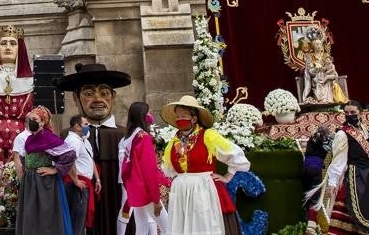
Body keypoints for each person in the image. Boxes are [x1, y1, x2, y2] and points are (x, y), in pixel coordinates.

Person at [56, 62, 132, 235]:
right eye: (89, 94)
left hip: (117, 203)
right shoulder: (67, 136)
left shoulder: (125, 135)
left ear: (113, 96)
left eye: (104, 93)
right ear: (76, 98)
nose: (98, 99)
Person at [160, 95, 249, 235]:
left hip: (202, 188)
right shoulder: (173, 141)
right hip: (181, 192)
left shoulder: (208, 136)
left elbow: (236, 155)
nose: (179, 120)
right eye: (177, 117)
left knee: (203, 226)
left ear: (194, 118)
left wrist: (227, 176)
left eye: (183, 116)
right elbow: (168, 169)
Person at [316, 101, 369, 235]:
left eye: (353, 112)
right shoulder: (342, 134)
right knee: (350, 211)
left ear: (360, 113)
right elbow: (338, 160)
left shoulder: (367, 133)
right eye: (346, 113)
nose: (349, 115)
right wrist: (332, 183)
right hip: (354, 176)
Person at [0, 25, 35, 193]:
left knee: (18, 176)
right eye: (3, 43)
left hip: (20, 135)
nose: (7, 47)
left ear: (19, 48)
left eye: (13, 43)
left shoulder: (31, 82)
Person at [15, 106, 76, 235]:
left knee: (46, 216)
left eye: (34, 119)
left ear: (43, 122)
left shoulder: (49, 138)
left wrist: (55, 169)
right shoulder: (30, 138)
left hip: (43, 182)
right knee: (31, 214)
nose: (30, 121)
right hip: (30, 181)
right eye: (29, 119)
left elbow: (70, 154)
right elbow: (25, 158)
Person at [120, 103, 169, 235]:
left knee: (141, 228)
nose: (150, 116)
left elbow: (125, 169)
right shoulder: (144, 138)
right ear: (142, 116)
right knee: (168, 228)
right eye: (148, 112)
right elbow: (149, 171)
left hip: (134, 188)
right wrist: (156, 199)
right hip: (146, 190)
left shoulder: (129, 137)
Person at [64, 115, 98, 235]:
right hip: (77, 184)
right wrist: (76, 180)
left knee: (81, 220)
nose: (88, 127)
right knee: (77, 221)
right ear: (77, 126)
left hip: (84, 182)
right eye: (85, 124)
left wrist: (97, 179)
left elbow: (90, 159)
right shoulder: (73, 141)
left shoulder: (83, 140)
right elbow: (69, 160)